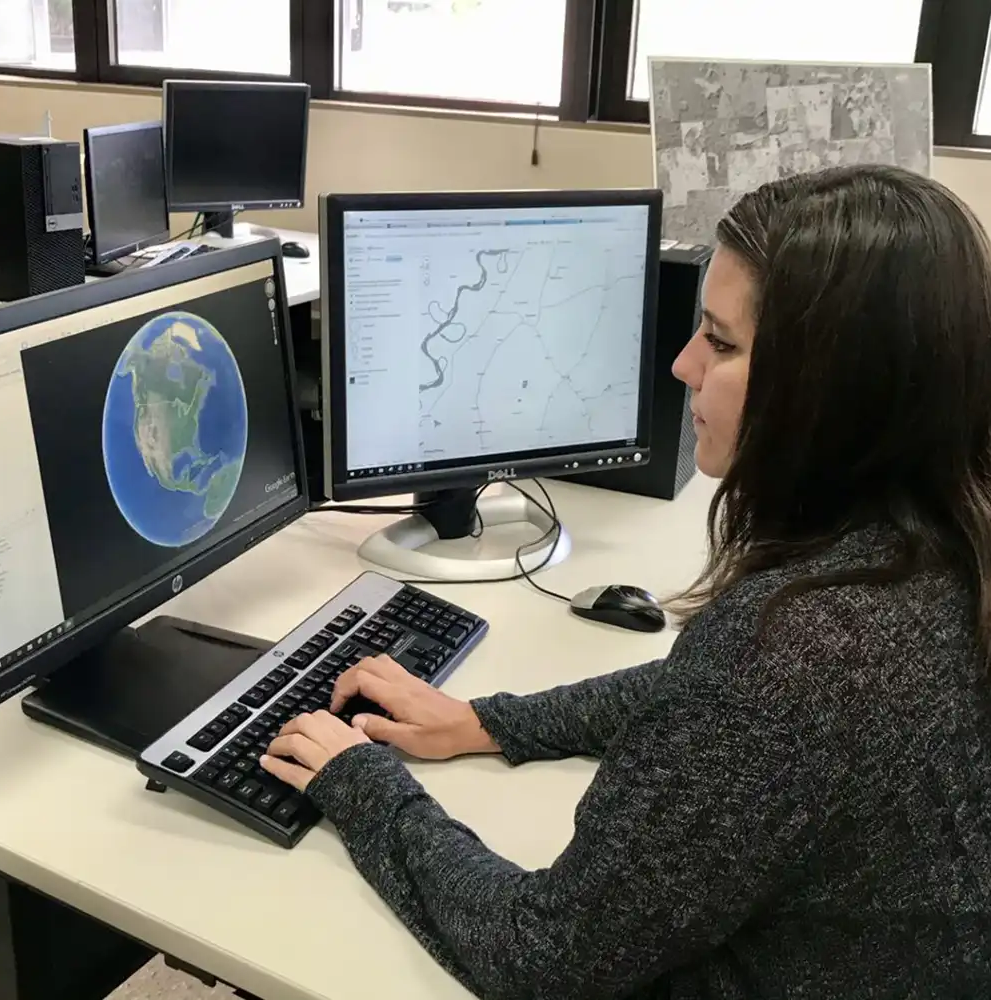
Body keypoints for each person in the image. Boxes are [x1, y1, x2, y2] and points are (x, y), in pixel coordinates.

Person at [262, 164, 991, 998]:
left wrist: (360, 784)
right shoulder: (937, 550)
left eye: (720, 341)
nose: (682, 366)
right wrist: (491, 722)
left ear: (831, 386)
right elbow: (700, 692)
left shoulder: (791, 662)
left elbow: (542, 956)